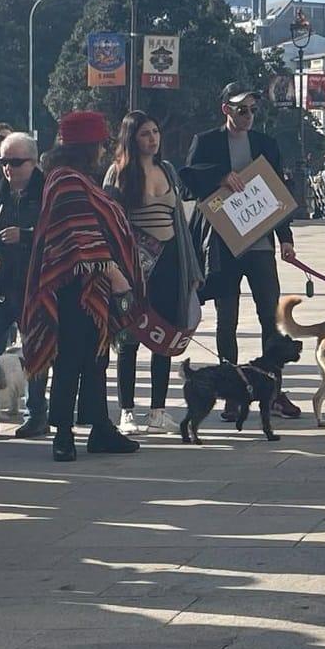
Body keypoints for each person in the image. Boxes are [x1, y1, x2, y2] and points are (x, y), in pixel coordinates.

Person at [21, 110, 143, 462]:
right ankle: (62, 433)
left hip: (90, 287)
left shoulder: (73, 177)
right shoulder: (66, 180)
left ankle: (100, 427)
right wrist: (114, 273)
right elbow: (80, 237)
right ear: (88, 145)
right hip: (74, 287)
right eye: (100, 143)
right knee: (71, 360)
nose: (104, 150)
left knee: (95, 359)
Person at [181, 83, 301, 419]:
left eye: (251, 110)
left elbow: (276, 192)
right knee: (227, 318)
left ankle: (272, 389)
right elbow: (188, 180)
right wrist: (220, 177)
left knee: (271, 317)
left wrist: (286, 237)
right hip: (223, 243)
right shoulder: (206, 142)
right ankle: (231, 387)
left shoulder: (265, 144)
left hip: (261, 244)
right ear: (226, 109)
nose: (247, 116)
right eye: (240, 109)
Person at [104, 111, 202, 434]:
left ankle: (158, 411)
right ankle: (127, 411)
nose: (153, 139)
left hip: (172, 261)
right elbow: (110, 225)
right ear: (132, 138)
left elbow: (180, 224)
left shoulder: (168, 169)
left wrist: (191, 268)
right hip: (136, 266)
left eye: (156, 132)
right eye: (145, 133)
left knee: (165, 336)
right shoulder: (118, 173)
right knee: (129, 337)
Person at [0, 132, 49, 437]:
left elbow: (58, 236)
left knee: (36, 351)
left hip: (36, 286)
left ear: (33, 162)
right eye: (4, 161)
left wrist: (27, 234)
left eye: (17, 162)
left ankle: (37, 413)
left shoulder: (48, 193)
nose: (9, 168)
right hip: (2, 288)